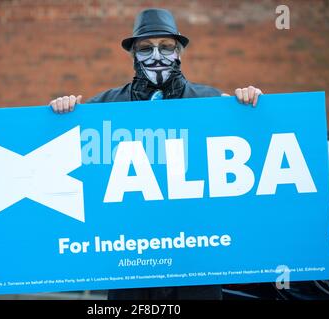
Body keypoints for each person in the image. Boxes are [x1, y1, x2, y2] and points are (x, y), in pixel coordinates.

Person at [49, 8, 263, 300]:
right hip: (130, 259)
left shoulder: (212, 102)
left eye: (166, 47)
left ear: (179, 53)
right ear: (133, 56)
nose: (156, 55)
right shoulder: (103, 107)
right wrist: (63, 113)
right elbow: (62, 153)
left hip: (197, 259)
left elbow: (255, 148)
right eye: (146, 48)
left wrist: (250, 107)